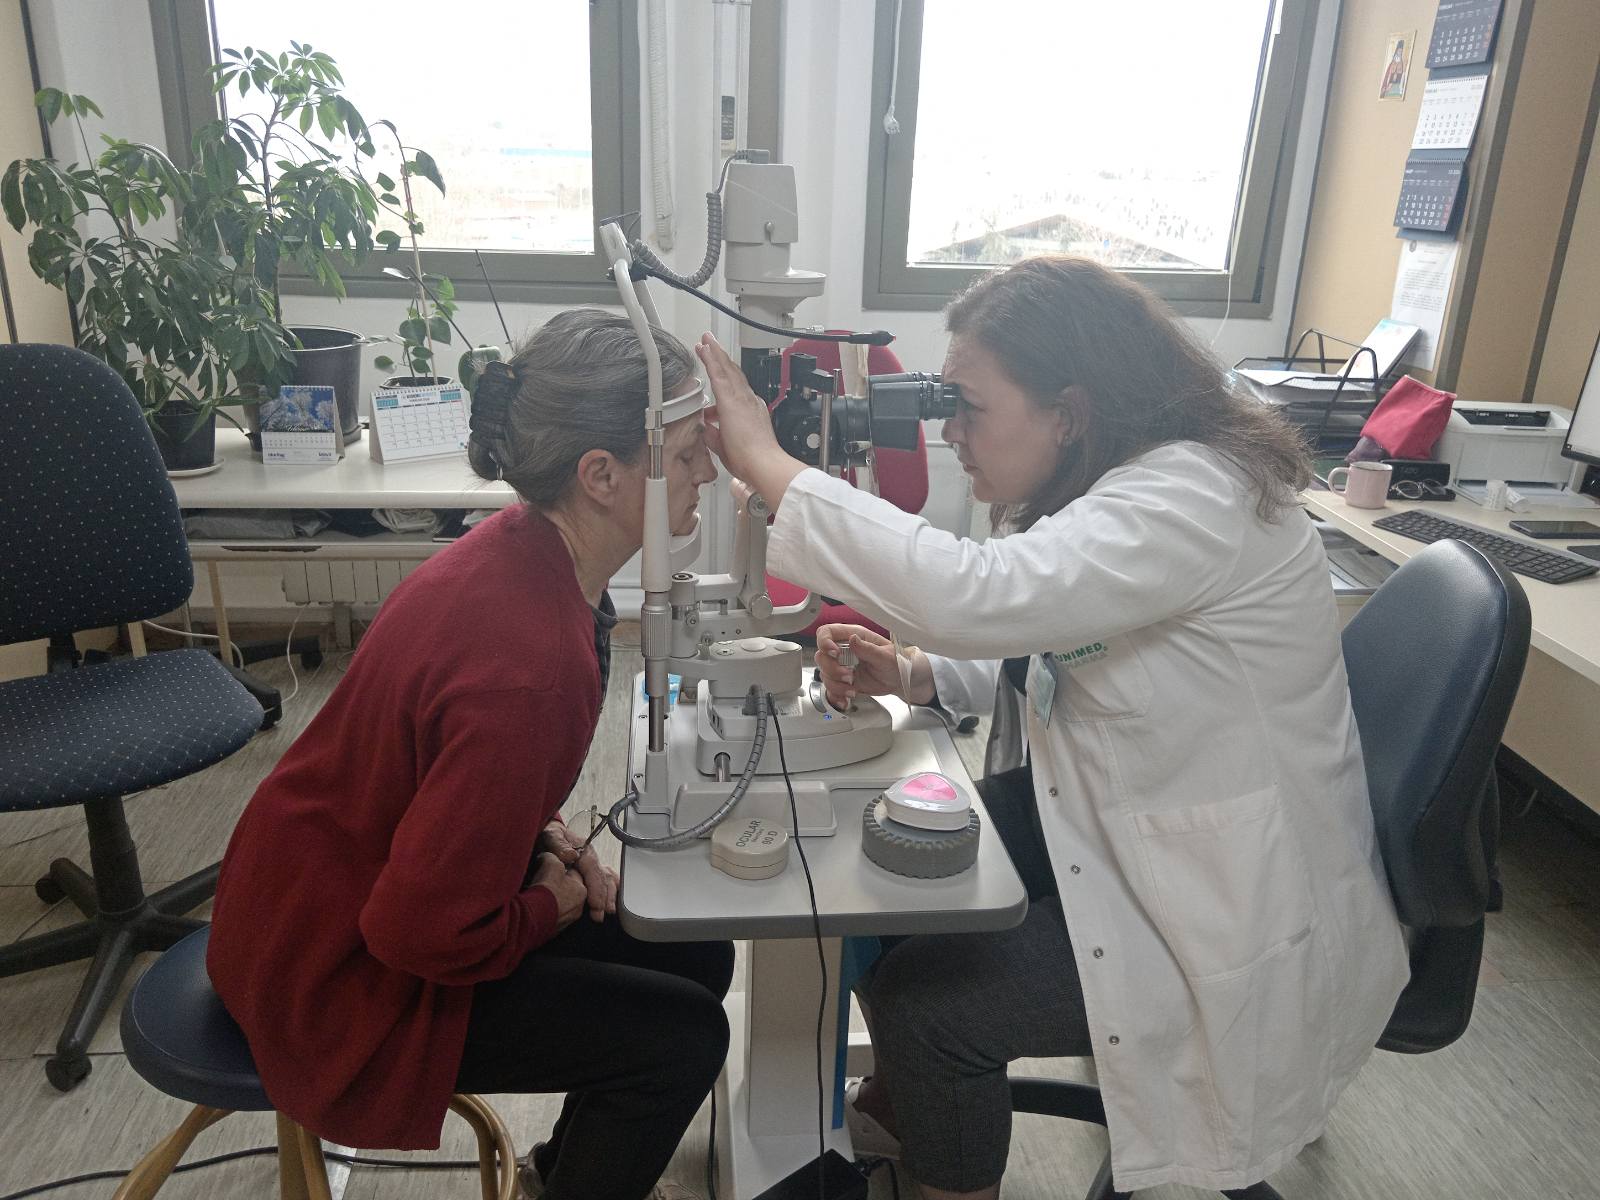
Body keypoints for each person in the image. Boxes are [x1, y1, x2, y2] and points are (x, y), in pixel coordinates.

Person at [694, 255, 1409, 1198]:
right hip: (1129, 822)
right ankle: (920, 1113)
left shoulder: (1190, 496)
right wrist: (916, 671)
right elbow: (1065, 639)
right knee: (887, 866)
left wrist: (772, 466)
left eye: (968, 408)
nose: (950, 433)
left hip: (1215, 906)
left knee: (929, 1010)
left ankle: (933, 1102)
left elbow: (984, 594)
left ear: (1069, 411)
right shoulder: (1114, 488)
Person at [207, 309, 730, 1200]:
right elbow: (416, 933)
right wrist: (550, 905)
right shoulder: (532, 668)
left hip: (305, 897)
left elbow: (455, 772)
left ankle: (556, 1176)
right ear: (601, 475)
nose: (707, 472)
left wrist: (547, 837)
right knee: (681, 1042)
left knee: (696, 955)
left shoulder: (517, 549)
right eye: (686, 454)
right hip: (334, 977)